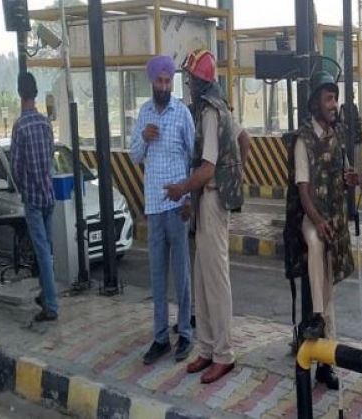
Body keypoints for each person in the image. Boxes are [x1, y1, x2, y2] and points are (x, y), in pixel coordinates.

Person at [163, 49, 249, 384]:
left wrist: (184, 188)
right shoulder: (215, 106)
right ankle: (208, 347)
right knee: (202, 278)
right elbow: (246, 141)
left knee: (215, 280)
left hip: (212, 198)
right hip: (208, 197)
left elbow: (208, 166)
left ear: (201, 80)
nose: (187, 83)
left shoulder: (211, 112)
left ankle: (224, 354)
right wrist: (236, 174)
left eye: (190, 78)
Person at [288, 70, 357, 390]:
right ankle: (315, 318)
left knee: (328, 293)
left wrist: (351, 178)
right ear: (315, 103)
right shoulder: (303, 140)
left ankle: (326, 363)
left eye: (336, 98)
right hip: (314, 219)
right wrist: (317, 221)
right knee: (314, 243)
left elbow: (344, 175)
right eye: (328, 98)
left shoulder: (338, 135)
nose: (334, 104)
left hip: (336, 222)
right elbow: (303, 191)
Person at [129, 56, 195, 365]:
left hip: (177, 206)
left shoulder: (181, 113)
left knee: (181, 273)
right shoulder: (143, 114)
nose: (165, 86)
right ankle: (159, 338)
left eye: (169, 81)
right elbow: (133, 157)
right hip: (154, 207)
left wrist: (190, 199)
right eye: (160, 81)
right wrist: (143, 138)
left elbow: (193, 158)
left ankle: (184, 333)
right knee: (157, 276)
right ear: (152, 82)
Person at [10, 72, 58, 323]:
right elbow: (51, 157)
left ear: (20, 94)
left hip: (33, 200)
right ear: (36, 92)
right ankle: (46, 293)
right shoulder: (45, 123)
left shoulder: (20, 126)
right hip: (49, 196)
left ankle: (51, 305)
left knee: (42, 253)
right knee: (47, 251)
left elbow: (16, 166)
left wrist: (24, 189)